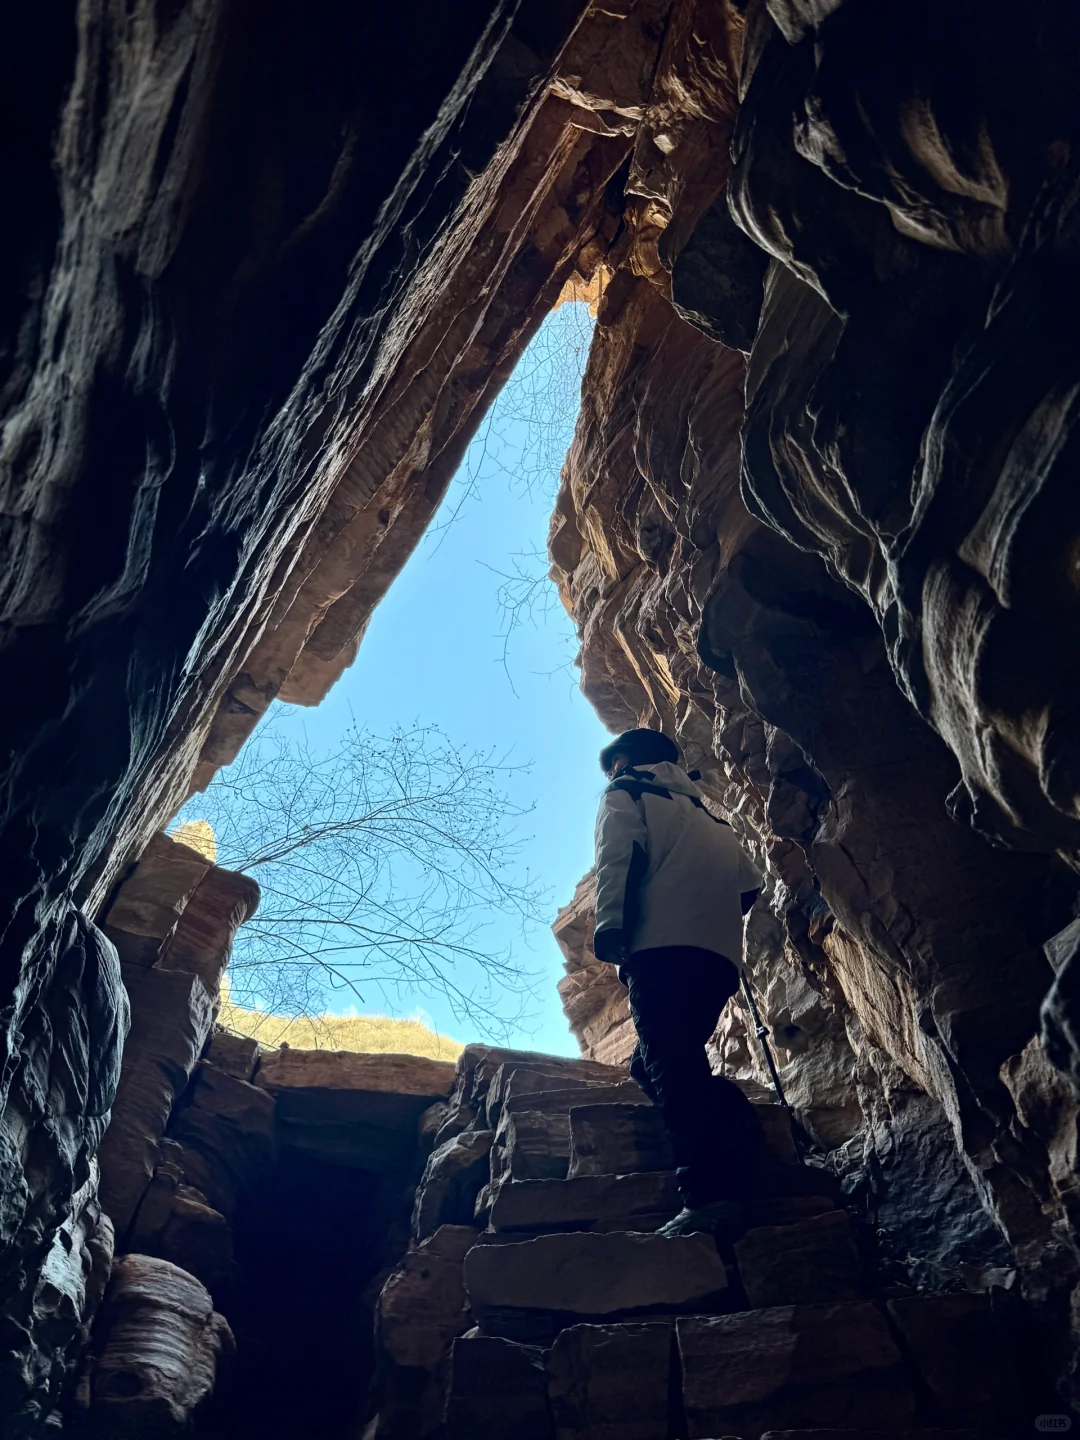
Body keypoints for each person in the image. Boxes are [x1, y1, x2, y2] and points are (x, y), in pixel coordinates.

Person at [592, 726, 765, 1237]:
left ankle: (709, 1195)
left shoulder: (626, 792)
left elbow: (617, 859)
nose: (610, 774)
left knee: (672, 1065)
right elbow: (749, 883)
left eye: (612, 765)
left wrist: (611, 928)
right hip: (716, 959)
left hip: (660, 949)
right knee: (659, 1062)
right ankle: (750, 1153)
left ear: (625, 761)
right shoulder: (714, 818)